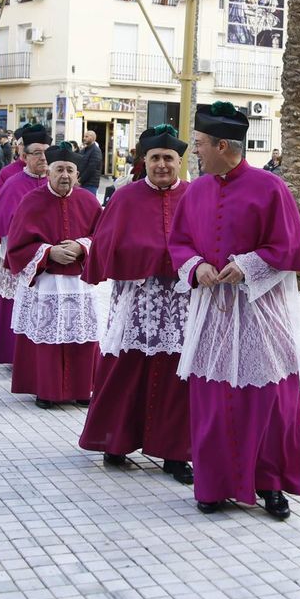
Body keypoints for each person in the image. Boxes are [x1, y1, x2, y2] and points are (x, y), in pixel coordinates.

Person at [169, 102, 300, 520]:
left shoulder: (270, 188)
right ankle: (212, 485)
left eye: (199, 145)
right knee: (212, 397)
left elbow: (291, 249)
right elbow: (178, 243)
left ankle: (270, 485)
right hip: (212, 313)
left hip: (259, 313)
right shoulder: (195, 190)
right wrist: (197, 267)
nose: (194, 152)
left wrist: (246, 265)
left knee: (268, 399)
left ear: (223, 144)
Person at [78, 125, 194, 483]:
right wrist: (148, 257)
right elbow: (106, 244)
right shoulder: (126, 197)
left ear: (179, 161)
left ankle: (175, 453)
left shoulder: (193, 195)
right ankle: (117, 440)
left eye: (168, 159)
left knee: (178, 374)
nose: (162, 165)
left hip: (181, 302)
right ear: (145, 161)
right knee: (125, 368)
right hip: (139, 299)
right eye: (155, 158)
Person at [6, 142, 103, 407]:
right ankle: (46, 390)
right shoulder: (32, 201)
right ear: (49, 172)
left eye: (70, 170)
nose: (65, 176)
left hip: (79, 282)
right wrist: (48, 253)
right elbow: (17, 247)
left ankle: (84, 389)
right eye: (59, 169)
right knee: (47, 336)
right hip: (46, 281)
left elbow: (102, 237)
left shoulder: (88, 200)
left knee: (81, 335)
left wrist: (82, 246)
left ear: (77, 175)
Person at [0, 125, 52, 366]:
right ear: (24, 156)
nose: (43, 158)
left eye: (46, 153)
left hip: (51, 256)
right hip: (19, 254)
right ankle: (11, 354)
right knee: (14, 299)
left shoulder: (57, 180)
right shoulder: (13, 181)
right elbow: (4, 215)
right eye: (37, 153)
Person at [76, 129, 104, 197]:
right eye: (84, 136)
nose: (84, 138)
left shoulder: (96, 151)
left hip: (90, 184)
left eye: (86, 136)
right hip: (82, 183)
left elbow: (91, 168)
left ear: (92, 138)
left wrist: (80, 180)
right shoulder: (84, 150)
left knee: (89, 204)